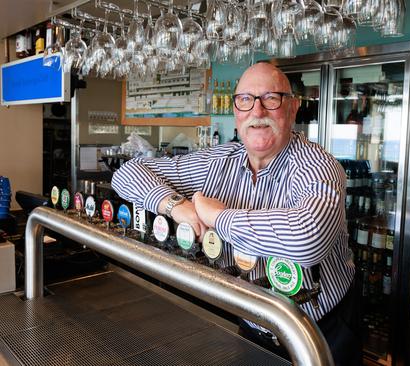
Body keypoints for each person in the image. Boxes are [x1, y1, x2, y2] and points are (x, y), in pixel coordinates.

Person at [112, 62, 361, 365]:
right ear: (235, 111)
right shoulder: (217, 162)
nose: (257, 112)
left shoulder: (316, 165)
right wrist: (175, 205)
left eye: (271, 98)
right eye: (245, 100)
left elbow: (307, 240)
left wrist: (218, 216)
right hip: (253, 321)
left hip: (320, 327)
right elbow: (127, 173)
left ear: (293, 108)